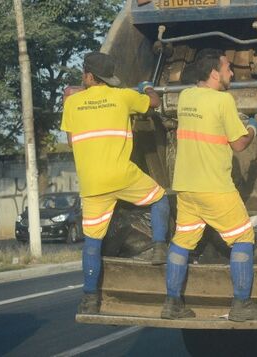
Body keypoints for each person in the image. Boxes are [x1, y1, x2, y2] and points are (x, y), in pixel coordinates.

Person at [161, 50, 257, 321]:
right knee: (243, 237)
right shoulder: (223, 100)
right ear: (214, 73)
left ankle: (172, 303)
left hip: (186, 187)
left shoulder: (186, 97)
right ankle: (241, 304)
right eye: (227, 68)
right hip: (214, 186)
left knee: (182, 241)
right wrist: (252, 128)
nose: (232, 73)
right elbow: (239, 144)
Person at [61, 52, 171, 314]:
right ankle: (159, 247)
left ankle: (90, 298)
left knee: (92, 242)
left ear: (88, 76)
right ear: (108, 78)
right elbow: (154, 103)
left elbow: (70, 141)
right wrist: (146, 87)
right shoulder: (123, 97)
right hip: (122, 176)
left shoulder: (72, 104)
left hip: (92, 184)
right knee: (159, 197)